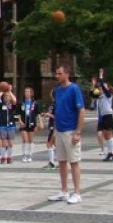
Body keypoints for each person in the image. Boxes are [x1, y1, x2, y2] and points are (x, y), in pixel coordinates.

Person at [47, 66, 85, 205]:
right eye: (56, 73)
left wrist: (78, 132)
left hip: (70, 130)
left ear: (67, 74)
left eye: (60, 73)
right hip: (60, 129)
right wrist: (55, 131)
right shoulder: (57, 91)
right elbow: (57, 111)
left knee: (73, 161)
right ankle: (64, 190)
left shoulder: (74, 89)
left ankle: (77, 192)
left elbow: (81, 110)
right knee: (61, 161)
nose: (57, 76)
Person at [93, 69, 113, 161]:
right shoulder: (100, 96)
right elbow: (94, 92)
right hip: (103, 116)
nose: (101, 89)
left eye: (105, 87)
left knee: (108, 134)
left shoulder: (108, 95)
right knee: (105, 135)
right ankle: (109, 152)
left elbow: (102, 85)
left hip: (108, 115)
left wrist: (101, 76)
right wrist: (95, 84)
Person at [0, 82, 18, 164]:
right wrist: (2, 92)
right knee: (3, 141)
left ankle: (9, 157)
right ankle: (3, 157)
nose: (7, 97)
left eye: (8, 97)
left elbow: (15, 101)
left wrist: (10, 92)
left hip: (11, 125)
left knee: (10, 142)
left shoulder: (11, 105)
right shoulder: (1, 105)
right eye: (6, 96)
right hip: (2, 124)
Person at [18, 87, 41, 163]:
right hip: (24, 122)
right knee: (25, 140)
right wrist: (20, 121)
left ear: (31, 93)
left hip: (31, 123)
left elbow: (38, 113)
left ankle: (30, 155)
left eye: (28, 92)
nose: (26, 93)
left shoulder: (35, 103)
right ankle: (24, 154)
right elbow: (18, 113)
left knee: (31, 140)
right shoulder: (21, 103)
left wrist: (39, 123)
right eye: (25, 92)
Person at [42, 88, 57, 169]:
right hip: (52, 124)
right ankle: (58, 161)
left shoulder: (56, 104)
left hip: (54, 125)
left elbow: (58, 116)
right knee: (56, 144)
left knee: (50, 143)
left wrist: (50, 115)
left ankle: (52, 162)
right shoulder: (52, 104)